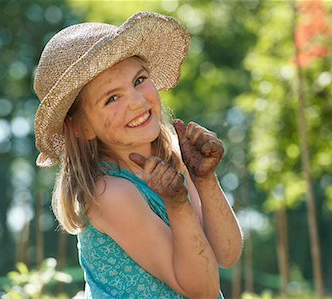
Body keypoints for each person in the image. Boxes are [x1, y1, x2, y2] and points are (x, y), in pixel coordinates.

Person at [33, 12, 243, 299]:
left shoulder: (171, 165)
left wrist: (204, 179)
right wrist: (178, 204)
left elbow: (227, 253)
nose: (136, 101)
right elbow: (202, 289)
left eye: (139, 80)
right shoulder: (109, 192)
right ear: (81, 126)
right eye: (112, 98)